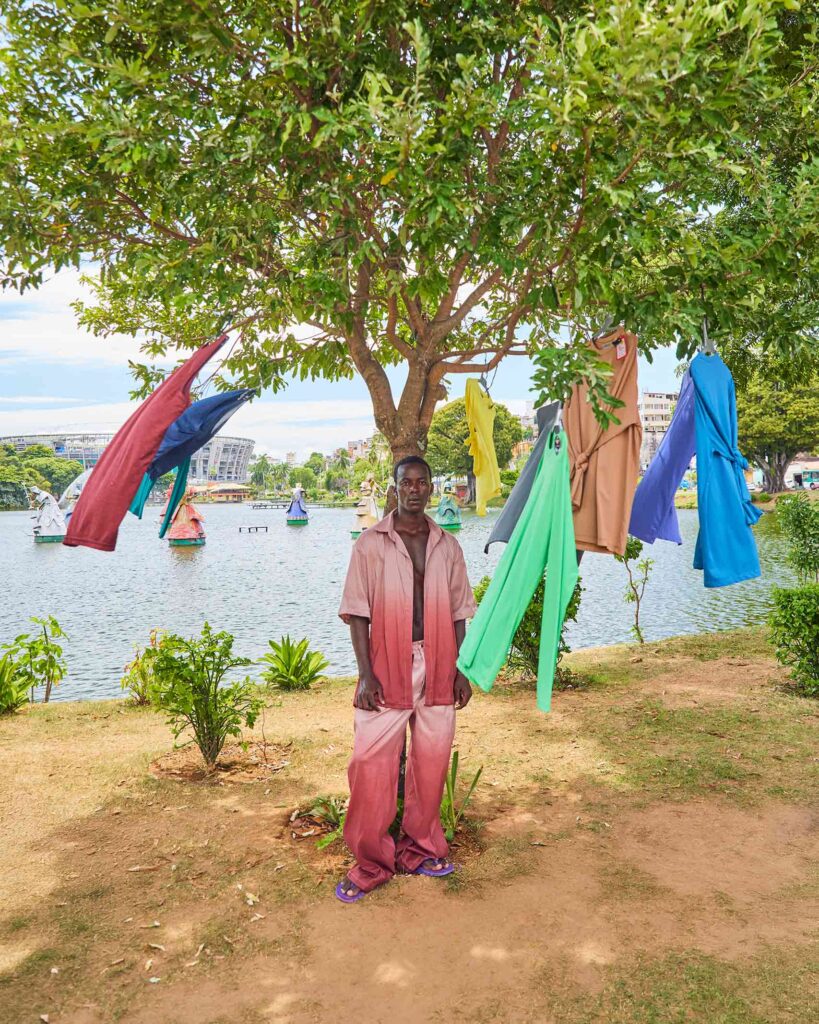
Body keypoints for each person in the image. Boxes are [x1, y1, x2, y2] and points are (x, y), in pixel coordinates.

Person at [335, 455, 477, 902]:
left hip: (440, 663)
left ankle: (421, 849)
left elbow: (459, 613)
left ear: (431, 488)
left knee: (431, 762)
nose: (414, 490)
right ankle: (370, 863)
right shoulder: (370, 544)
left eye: (421, 482)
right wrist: (365, 676)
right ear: (395, 489)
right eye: (406, 483)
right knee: (369, 763)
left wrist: (461, 669)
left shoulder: (447, 546)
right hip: (386, 666)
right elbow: (357, 612)